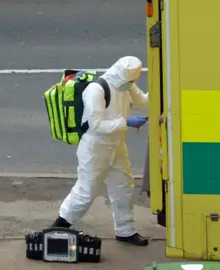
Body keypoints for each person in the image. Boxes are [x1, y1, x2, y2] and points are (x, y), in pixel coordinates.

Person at [50, 56, 150, 246]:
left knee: (123, 187)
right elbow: (95, 125)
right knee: (86, 191)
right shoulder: (96, 90)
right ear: (121, 74)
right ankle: (59, 226)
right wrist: (126, 122)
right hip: (95, 147)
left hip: (117, 146)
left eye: (133, 81)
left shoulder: (126, 84)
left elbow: (144, 102)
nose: (132, 85)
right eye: (130, 81)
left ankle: (125, 231)